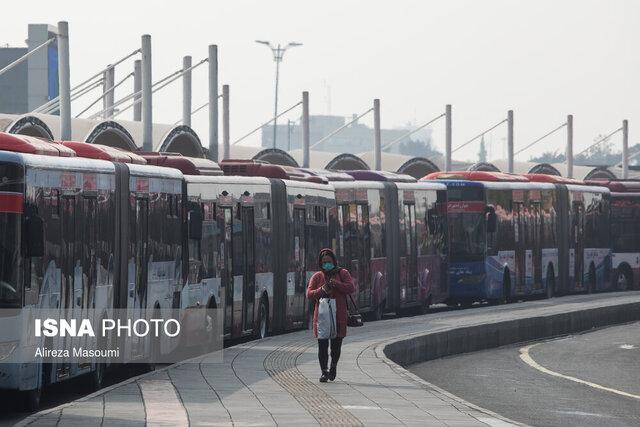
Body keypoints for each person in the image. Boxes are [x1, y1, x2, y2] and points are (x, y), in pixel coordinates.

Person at [306, 248, 355, 383]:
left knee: (335, 345)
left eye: (329, 261)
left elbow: (351, 287)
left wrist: (337, 284)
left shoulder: (342, 273)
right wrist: (321, 290)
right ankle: (324, 371)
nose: (327, 264)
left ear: (334, 261)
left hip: (338, 316)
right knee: (322, 345)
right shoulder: (317, 276)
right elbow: (309, 294)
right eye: (324, 262)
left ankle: (333, 366)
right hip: (321, 318)